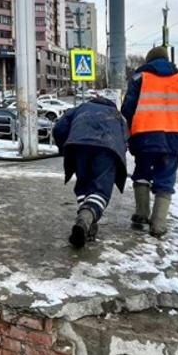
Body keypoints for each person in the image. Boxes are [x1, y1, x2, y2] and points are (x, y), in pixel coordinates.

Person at [121, 46, 178, 238]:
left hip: (145, 134)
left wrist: (131, 130)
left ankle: (141, 214)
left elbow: (127, 109)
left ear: (148, 61)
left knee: (142, 173)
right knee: (166, 177)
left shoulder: (140, 78)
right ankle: (158, 225)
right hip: (176, 137)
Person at [53, 95, 128, 248]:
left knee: (83, 185)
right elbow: (125, 138)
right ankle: (85, 219)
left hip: (80, 147)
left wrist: (64, 148)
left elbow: (59, 128)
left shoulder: (79, 109)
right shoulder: (116, 115)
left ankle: (87, 223)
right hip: (107, 150)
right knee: (101, 190)